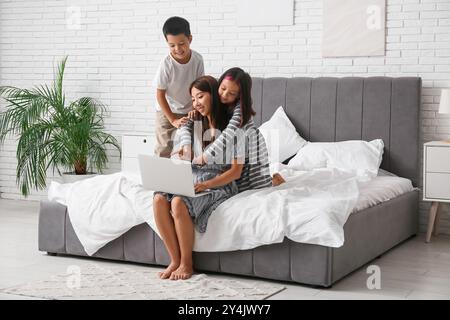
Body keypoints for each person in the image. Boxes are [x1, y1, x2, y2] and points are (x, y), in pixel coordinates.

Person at [153, 76, 243, 280]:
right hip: (193, 178)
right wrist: (179, 156)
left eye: (200, 96)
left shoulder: (234, 128)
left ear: (213, 94)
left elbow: (235, 172)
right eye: (193, 99)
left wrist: (207, 184)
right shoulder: (194, 123)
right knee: (158, 198)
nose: (196, 103)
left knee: (178, 202)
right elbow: (184, 154)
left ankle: (187, 263)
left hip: (220, 183)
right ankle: (174, 260)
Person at [178, 67, 285, 190]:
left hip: (253, 146)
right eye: (223, 89)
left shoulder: (240, 111)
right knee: (239, 184)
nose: (224, 95)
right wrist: (186, 145)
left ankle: (275, 181)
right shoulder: (217, 105)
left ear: (239, 96)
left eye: (232, 93)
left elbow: (228, 134)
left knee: (258, 184)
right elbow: (185, 126)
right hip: (238, 146)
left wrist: (205, 157)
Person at [153, 16, 204, 158]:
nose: (177, 49)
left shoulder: (198, 60)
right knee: (164, 147)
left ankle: (190, 176)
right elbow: (160, 94)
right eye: (172, 45)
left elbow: (199, 88)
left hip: (189, 108)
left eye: (181, 43)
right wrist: (173, 120)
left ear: (190, 39)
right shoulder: (166, 64)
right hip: (167, 109)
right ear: (167, 43)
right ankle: (160, 178)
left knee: (193, 146)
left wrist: (195, 108)